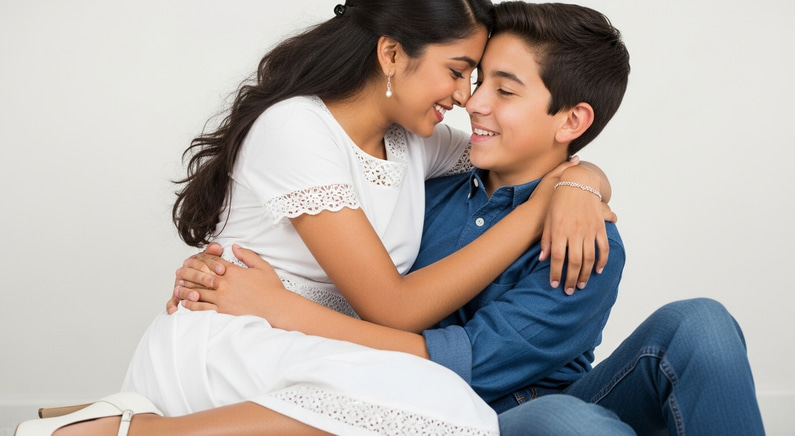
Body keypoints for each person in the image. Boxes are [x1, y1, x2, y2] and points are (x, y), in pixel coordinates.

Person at [15, 1, 616, 435]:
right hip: (238, 330)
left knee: (443, 403)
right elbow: (395, 308)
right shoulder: (296, 129)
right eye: (458, 71)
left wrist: (583, 182)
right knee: (446, 405)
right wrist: (538, 211)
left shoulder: (414, 142)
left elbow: (528, 155)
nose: (467, 97)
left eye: (479, 80)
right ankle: (120, 432)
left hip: (312, 342)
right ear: (391, 54)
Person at [172, 2, 764, 435]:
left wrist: (581, 183)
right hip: (430, 406)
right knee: (571, 424)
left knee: (698, 326)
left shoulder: (585, 239)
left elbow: (470, 369)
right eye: (474, 79)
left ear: (571, 121)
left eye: (503, 91)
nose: (471, 102)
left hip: (499, 402)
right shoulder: (426, 178)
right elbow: (362, 274)